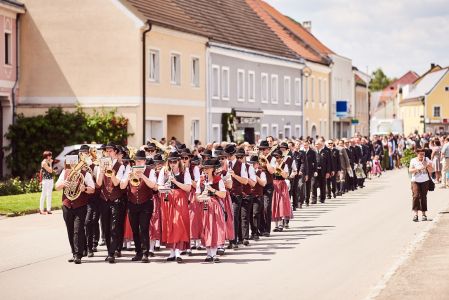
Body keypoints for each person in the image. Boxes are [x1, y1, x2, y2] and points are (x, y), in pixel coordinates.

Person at [55, 151, 95, 264]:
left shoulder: (85, 174)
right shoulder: (65, 172)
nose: (73, 165)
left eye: (75, 162)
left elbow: (92, 189)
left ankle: (78, 254)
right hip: (67, 205)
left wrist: (85, 189)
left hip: (80, 206)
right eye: (71, 162)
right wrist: (64, 184)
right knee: (70, 230)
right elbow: (57, 186)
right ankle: (74, 252)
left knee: (78, 230)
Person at [120, 150, 156, 263]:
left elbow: (153, 186)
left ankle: (145, 253)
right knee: (135, 229)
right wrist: (128, 177)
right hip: (132, 203)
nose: (137, 163)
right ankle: (138, 252)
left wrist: (143, 176)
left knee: (144, 228)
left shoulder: (150, 171)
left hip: (146, 204)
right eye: (136, 161)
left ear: (144, 161)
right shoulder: (130, 170)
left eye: (139, 161)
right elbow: (122, 186)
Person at [157, 151, 192, 263]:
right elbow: (158, 186)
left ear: (179, 161)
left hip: (180, 199)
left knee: (178, 223)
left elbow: (188, 188)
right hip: (167, 198)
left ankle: (177, 251)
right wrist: (164, 187)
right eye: (170, 161)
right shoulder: (164, 170)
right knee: (169, 224)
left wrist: (175, 182)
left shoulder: (184, 171)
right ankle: (172, 251)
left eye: (175, 161)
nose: (172, 164)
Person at [96, 142, 126, 264]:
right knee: (106, 227)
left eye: (110, 151)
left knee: (114, 227)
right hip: (104, 199)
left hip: (115, 199)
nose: (108, 153)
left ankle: (111, 253)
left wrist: (111, 172)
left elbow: (117, 183)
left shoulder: (120, 166)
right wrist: (102, 171)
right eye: (106, 151)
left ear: (115, 152)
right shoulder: (100, 165)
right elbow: (98, 184)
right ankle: (109, 250)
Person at [196, 159, 227, 263]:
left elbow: (223, 195)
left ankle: (214, 253)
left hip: (214, 206)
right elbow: (197, 196)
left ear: (213, 169)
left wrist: (212, 190)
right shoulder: (200, 180)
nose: (206, 170)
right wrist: (201, 197)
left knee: (215, 228)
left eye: (208, 168)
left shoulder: (218, 180)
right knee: (206, 228)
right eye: (205, 168)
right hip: (204, 205)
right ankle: (208, 253)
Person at [224, 144, 248, 248]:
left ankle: (234, 240)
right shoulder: (224, 163)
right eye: (227, 155)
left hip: (237, 194)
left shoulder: (241, 165)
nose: (228, 157)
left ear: (234, 154)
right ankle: (229, 239)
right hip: (225, 194)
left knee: (234, 216)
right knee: (227, 217)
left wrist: (234, 175)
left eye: (230, 155)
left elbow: (245, 181)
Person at [409, 148, 433, 222]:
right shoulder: (413, 160)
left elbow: (431, 170)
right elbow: (410, 170)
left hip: (425, 180)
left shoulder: (427, 159)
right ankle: (416, 215)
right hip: (415, 181)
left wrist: (427, 165)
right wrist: (418, 169)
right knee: (415, 196)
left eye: (423, 154)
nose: (422, 156)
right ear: (417, 154)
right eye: (420, 154)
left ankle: (424, 214)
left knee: (423, 196)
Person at [271, 150, 292, 231]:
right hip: (274, 184)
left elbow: (286, 175)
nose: (276, 159)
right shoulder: (272, 164)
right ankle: (276, 225)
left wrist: (280, 169)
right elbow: (271, 172)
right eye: (275, 157)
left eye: (278, 157)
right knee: (275, 204)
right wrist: (275, 167)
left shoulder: (285, 165)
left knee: (281, 204)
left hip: (282, 184)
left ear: (281, 157)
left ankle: (280, 224)